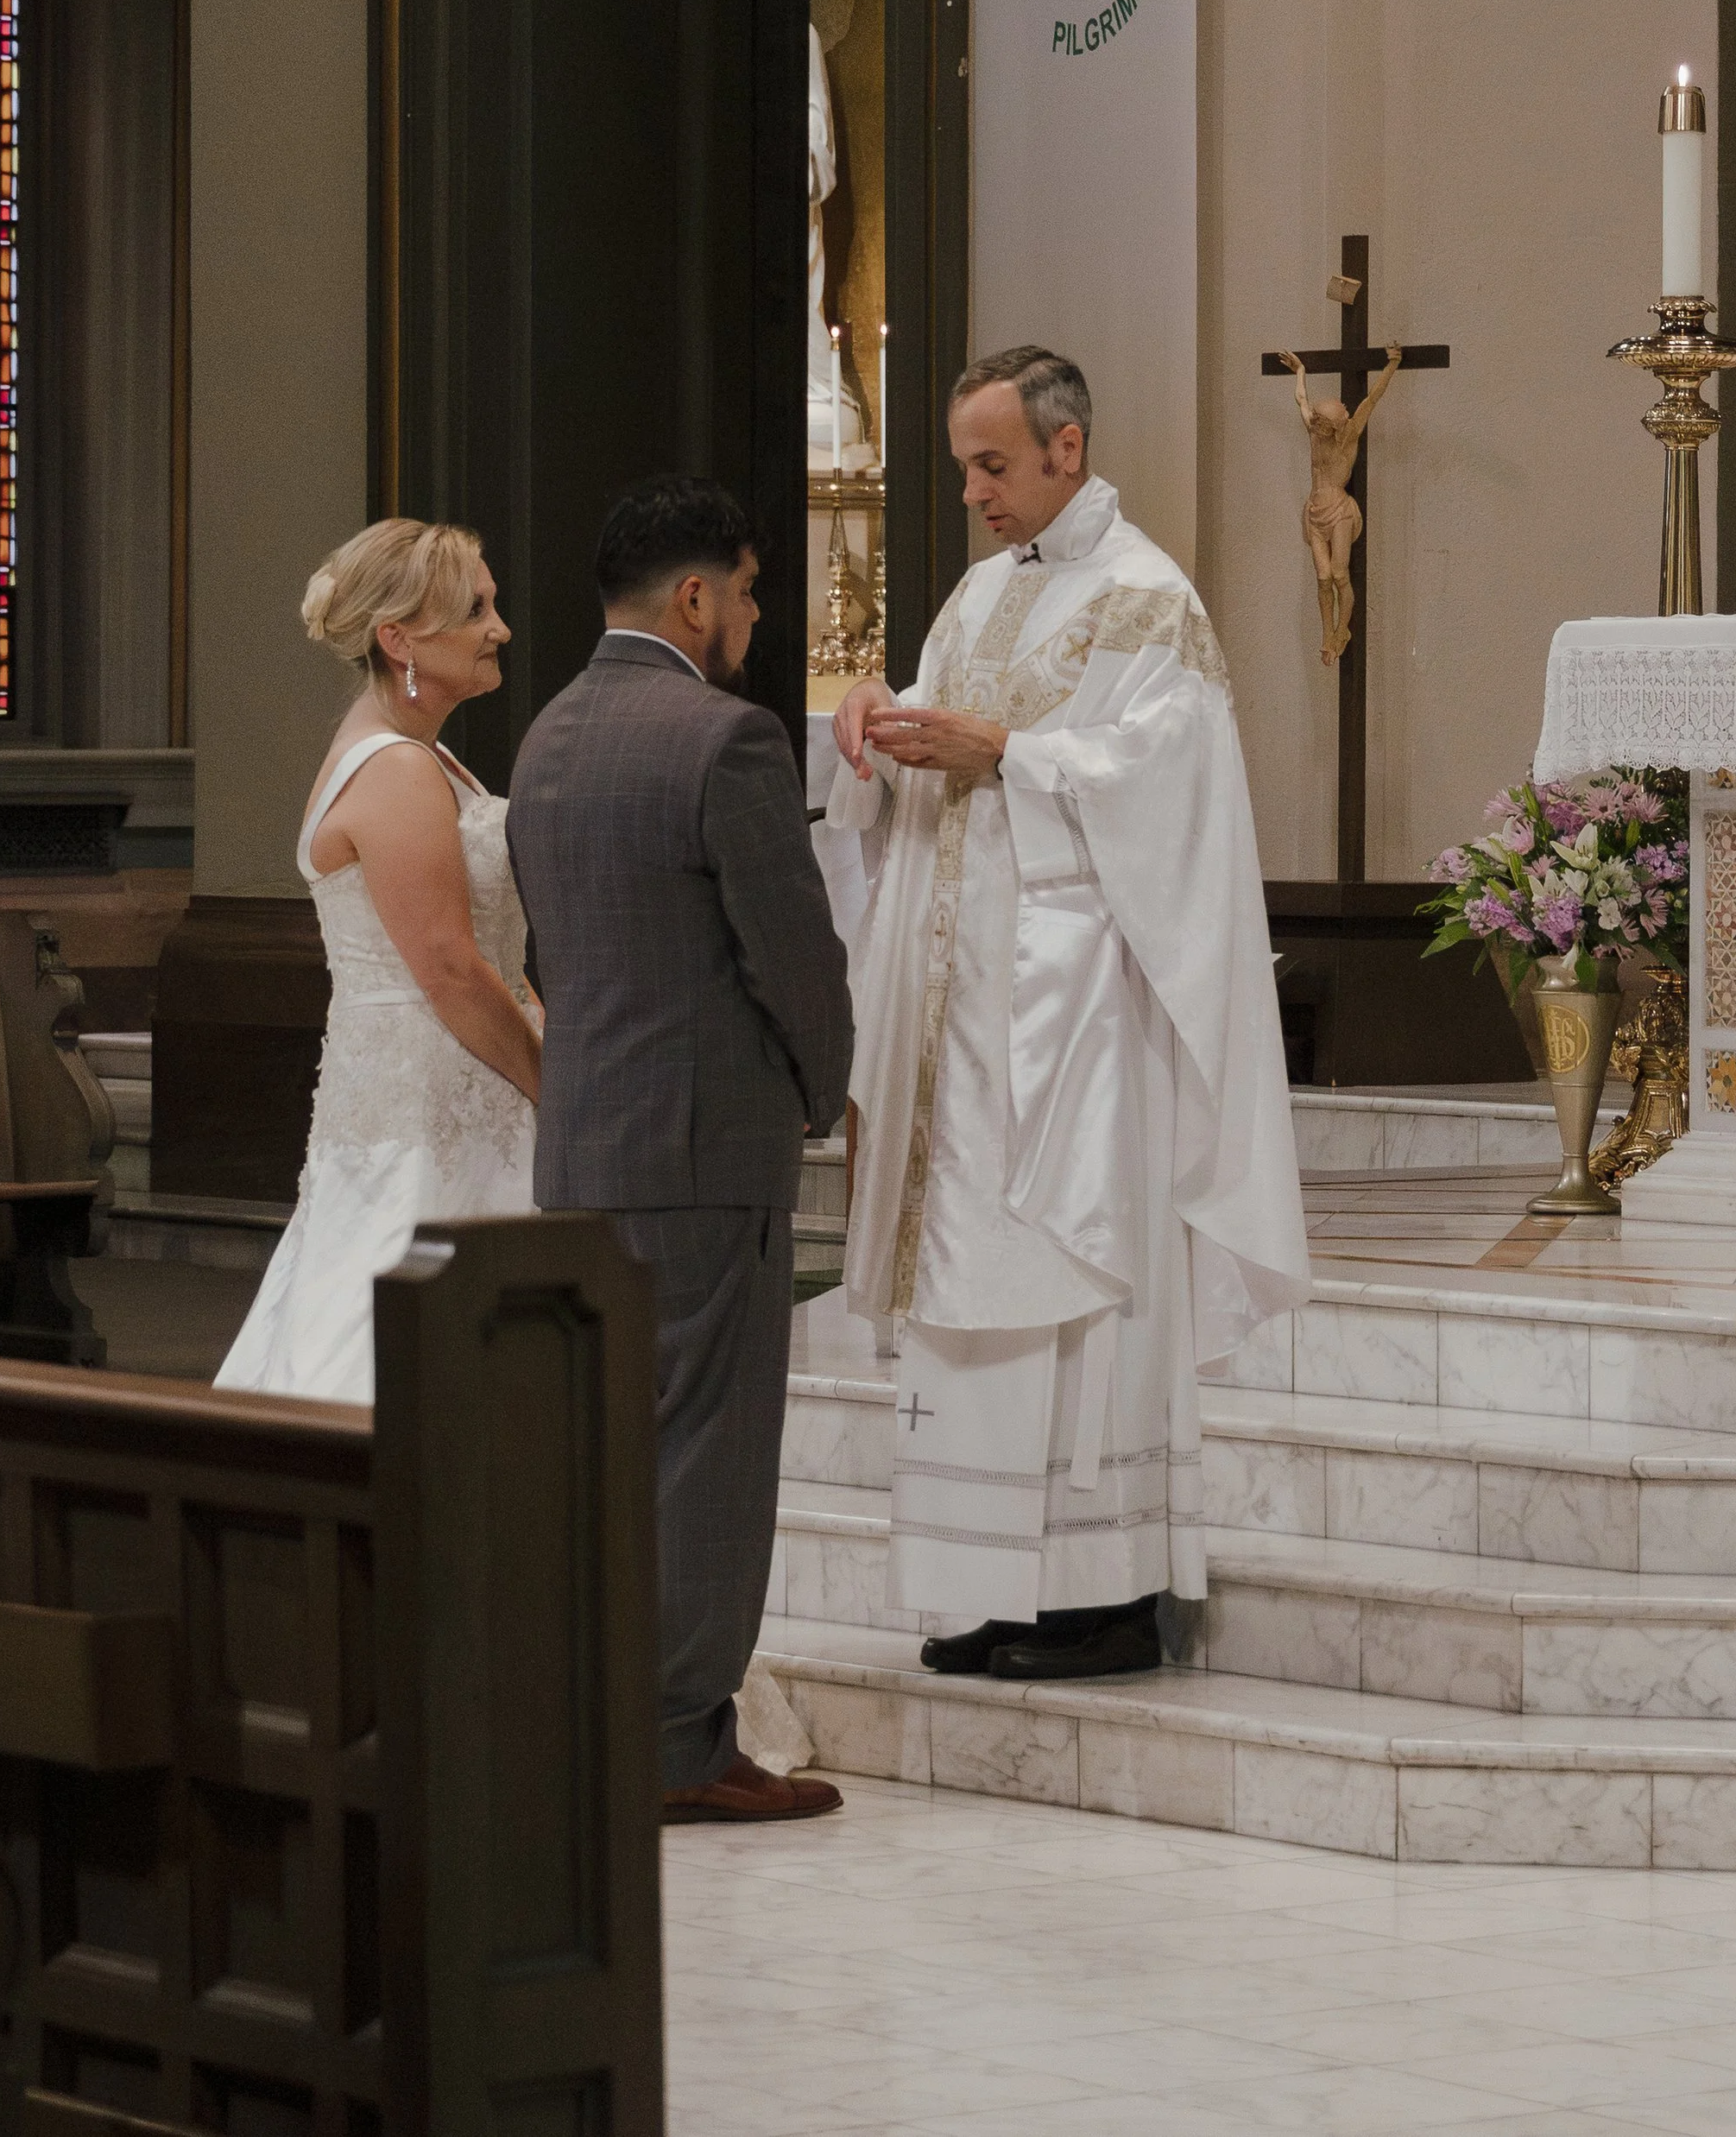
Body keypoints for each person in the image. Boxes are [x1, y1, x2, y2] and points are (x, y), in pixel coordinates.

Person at [827, 346, 1310, 1680]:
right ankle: (994, 1584)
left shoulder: (1148, 600)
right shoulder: (981, 594)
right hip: (961, 1015)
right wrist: (875, 722)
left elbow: (1175, 790)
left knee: (1073, 1279)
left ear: (1067, 448)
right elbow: (938, 738)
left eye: (992, 464)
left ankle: (1099, 1595)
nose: (972, 491)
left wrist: (1005, 753)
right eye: (963, 466)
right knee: (969, 1298)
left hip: (1079, 1018)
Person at [508, 477, 853, 1824]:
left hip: (585, 1143)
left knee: (606, 1450)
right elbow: (791, 950)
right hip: (707, 1150)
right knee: (708, 1451)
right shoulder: (726, 740)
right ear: (696, 597)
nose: (757, 618)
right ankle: (681, 1747)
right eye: (753, 592)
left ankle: (601, 1723)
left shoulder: (547, 734)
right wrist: (824, 1088)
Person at [216, 520, 541, 1405]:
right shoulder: (396, 770)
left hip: (460, 1083)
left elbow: (490, 952)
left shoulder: (427, 759)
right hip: (437, 1096)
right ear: (399, 638)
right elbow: (445, 966)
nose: (498, 626)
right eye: (475, 608)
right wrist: (555, 1084)